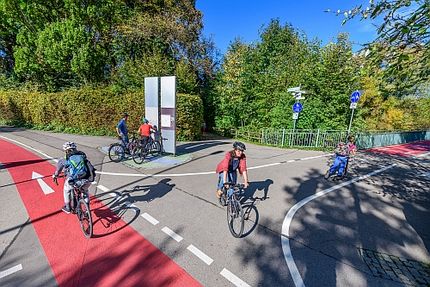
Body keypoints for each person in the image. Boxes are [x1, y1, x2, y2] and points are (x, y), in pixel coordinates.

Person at [52, 142, 92, 214]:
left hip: (73, 180)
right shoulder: (82, 156)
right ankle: (87, 209)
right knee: (85, 191)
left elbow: (58, 171)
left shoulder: (63, 160)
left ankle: (68, 207)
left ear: (66, 151)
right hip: (87, 179)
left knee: (66, 190)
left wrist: (55, 175)